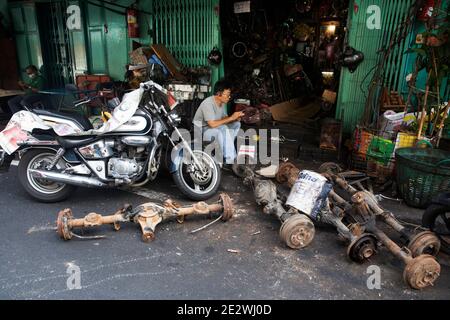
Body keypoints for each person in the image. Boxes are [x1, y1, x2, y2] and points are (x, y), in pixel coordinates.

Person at [192, 79, 244, 165]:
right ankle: (231, 159)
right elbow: (212, 124)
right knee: (223, 128)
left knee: (236, 124)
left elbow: (225, 118)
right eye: (227, 95)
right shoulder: (208, 103)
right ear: (219, 93)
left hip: (214, 128)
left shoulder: (221, 103)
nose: (229, 97)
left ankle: (226, 150)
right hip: (202, 130)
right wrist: (231, 118)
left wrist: (235, 118)